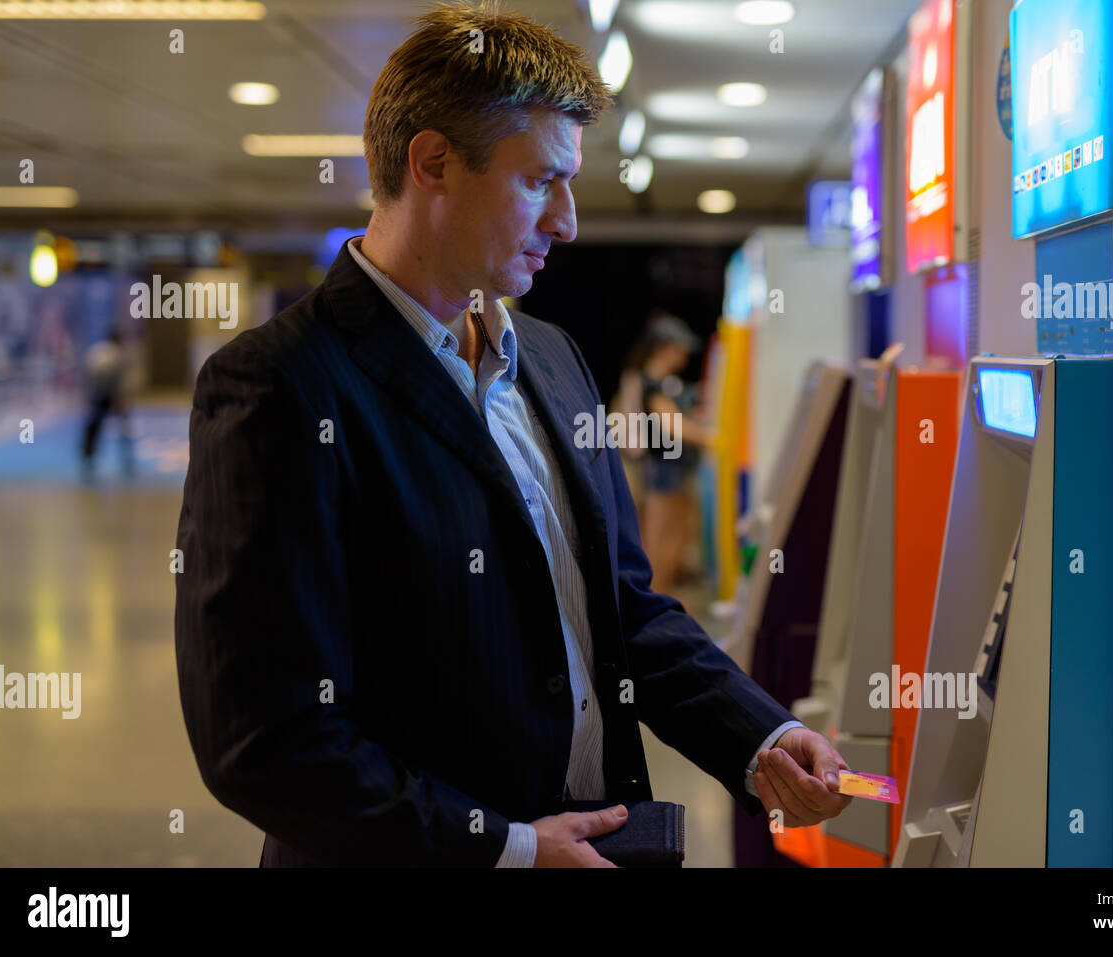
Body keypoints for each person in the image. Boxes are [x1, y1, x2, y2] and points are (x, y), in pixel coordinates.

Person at [174, 0, 851, 868]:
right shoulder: (280, 385)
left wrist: (761, 734)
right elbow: (262, 739)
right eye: (540, 181)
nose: (567, 221)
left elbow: (624, 610)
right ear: (433, 163)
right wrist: (509, 849)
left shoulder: (554, 359)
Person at [635, 314, 712, 595]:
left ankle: (662, 594)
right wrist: (712, 438)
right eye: (678, 348)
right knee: (661, 536)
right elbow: (672, 425)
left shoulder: (667, 382)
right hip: (662, 466)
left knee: (674, 533)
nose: (683, 355)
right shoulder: (653, 383)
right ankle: (655, 595)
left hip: (673, 466)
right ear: (663, 347)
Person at [80, 326, 133, 481]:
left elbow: (88, 374)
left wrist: (88, 395)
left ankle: (88, 455)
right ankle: (126, 459)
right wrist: (119, 399)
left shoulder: (97, 351)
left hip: (97, 393)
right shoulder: (118, 354)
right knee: (123, 427)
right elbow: (118, 381)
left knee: (94, 426)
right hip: (108, 393)